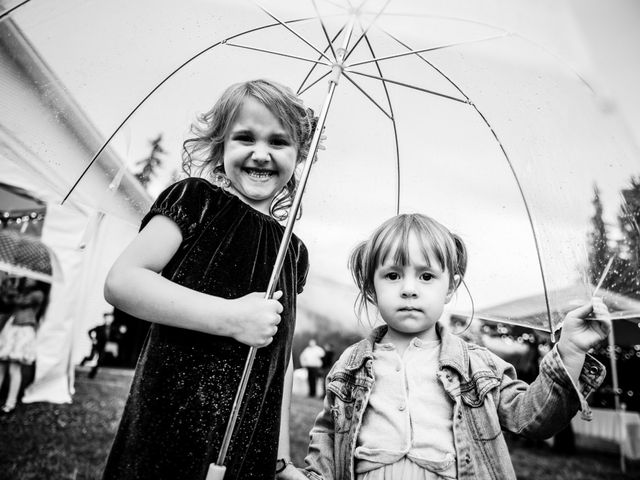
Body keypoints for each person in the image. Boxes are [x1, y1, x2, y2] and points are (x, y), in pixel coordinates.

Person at [102, 79, 318, 480]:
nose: (261, 154)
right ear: (220, 146)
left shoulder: (293, 251)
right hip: (170, 424)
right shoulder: (195, 201)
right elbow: (124, 281)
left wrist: (280, 459)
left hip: (247, 444)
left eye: (278, 142)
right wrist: (230, 317)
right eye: (245, 138)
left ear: (299, 154)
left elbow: (281, 360)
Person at [302, 213, 610, 480]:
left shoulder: (477, 367)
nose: (409, 289)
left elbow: (533, 418)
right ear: (371, 287)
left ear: (450, 286)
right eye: (393, 275)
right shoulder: (350, 365)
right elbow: (328, 438)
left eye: (426, 276)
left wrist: (570, 352)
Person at [0, 276, 50, 414]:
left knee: (14, 368)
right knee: (1, 366)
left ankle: (10, 403)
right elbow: (5, 302)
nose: (27, 278)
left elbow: (20, 302)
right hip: (11, 329)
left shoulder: (37, 294)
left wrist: (11, 288)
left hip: (23, 330)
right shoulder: (21, 292)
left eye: (30, 277)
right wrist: (8, 287)